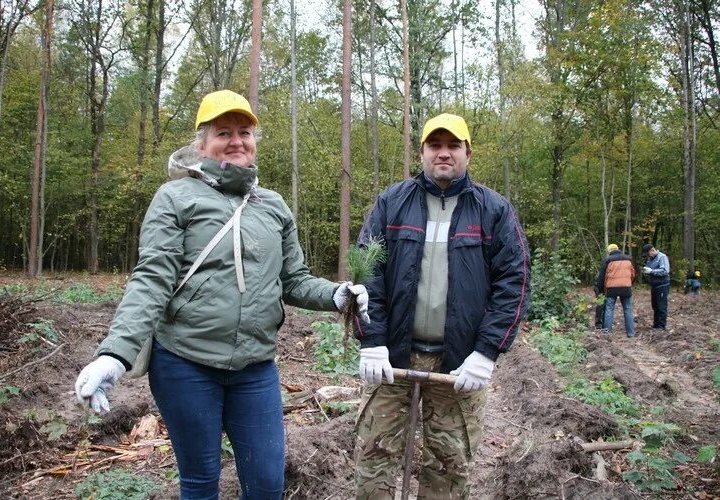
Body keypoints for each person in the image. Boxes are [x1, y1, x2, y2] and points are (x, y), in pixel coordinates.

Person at [74, 89, 369, 500]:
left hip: (255, 367)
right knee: (200, 480)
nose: (236, 141)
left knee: (267, 483)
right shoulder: (176, 197)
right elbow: (152, 278)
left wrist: (336, 293)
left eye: (244, 132)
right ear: (202, 144)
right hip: (185, 364)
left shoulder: (274, 206)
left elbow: (294, 279)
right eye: (223, 132)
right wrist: (114, 354)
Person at [353, 113, 531, 499]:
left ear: (468, 152)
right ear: (422, 151)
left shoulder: (493, 210)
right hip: (393, 358)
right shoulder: (391, 203)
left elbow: (513, 282)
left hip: (458, 363)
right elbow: (368, 273)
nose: (444, 153)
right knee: (374, 456)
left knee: (450, 466)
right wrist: (372, 338)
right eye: (435, 145)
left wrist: (486, 352)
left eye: (453, 146)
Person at [594, 243, 636, 337]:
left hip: (611, 288)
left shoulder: (607, 260)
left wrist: (600, 289)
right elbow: (633, 274)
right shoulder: (628, 259)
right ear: (618, 249)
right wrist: (629, 283)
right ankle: (631, 333)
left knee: (609, 309)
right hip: (626, 287)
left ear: (609, 251)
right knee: (628, 309)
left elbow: (602, 276)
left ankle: (607, 332)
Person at [642, 243, 670, 330]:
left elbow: (665, 271)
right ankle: (656, 324)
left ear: (652, 250)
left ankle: (661, 326)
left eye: (648, 253)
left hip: (662, 284)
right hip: (654, 285)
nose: (647, 256)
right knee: (655, 305)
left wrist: (652, 271)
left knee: (661, 306)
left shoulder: (662, 257)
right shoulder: (650, 259)